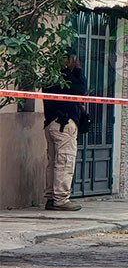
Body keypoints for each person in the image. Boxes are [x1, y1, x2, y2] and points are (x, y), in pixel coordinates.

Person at [42, 49, 87, 211]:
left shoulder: (49, 75)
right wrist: (79, 71)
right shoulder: (65, 77)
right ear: (67, 60)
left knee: (53, 162)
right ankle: (61, 199)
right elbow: (81, 89)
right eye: (72, 59)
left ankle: (50, 198)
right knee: (65, 161)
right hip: (63, 125)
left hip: (51, 124)